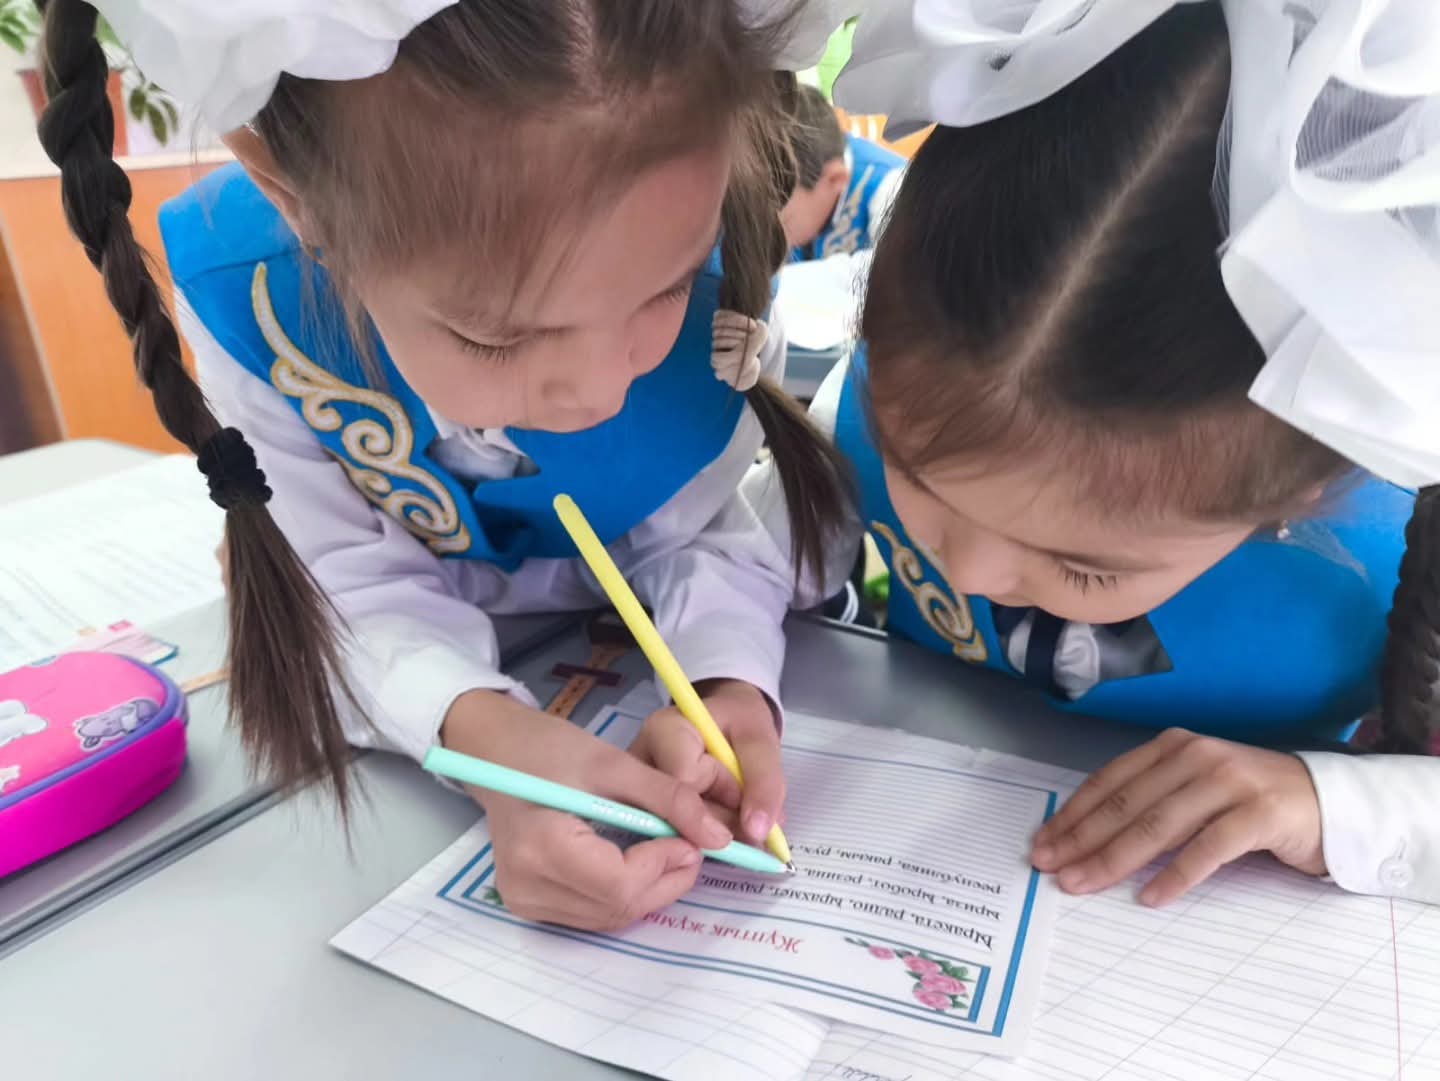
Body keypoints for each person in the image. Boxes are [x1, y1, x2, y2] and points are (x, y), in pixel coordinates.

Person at [34, 0, 850, 931]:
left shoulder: (718, 272)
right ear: (289, 192)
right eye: (496, 337)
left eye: (663, 290)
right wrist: (485, 735)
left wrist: (721, 675)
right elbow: (338, 579)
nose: (596, 392)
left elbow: (711, 525)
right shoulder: (251, 303)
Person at [658, 1, 1440, 908]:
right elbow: (744, 550)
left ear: (1300, 490)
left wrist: (1334, 805)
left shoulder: (1394, 548)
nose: (971, 572)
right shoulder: (903, 401)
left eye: (1085, 568)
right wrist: (727, 682)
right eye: (916, 477)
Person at [781, 84, 904, 261]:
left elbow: (895, 268)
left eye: (782, 222)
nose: (764, 230)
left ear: (835, 179)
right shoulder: (818, 158)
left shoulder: (891, 192)